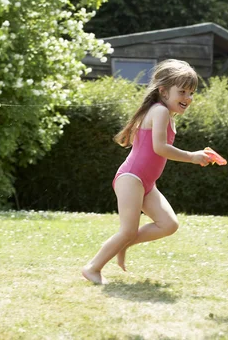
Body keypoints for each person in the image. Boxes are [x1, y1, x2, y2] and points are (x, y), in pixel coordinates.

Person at [82, 59, 215, 285]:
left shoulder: (163, 113)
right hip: (131, 178)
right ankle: (93, 268)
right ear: (163, 91)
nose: (187, 98)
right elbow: (160, 148)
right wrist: (192, 157)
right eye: (182, 92)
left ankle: (124, 245)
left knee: (169, 224)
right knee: (128, 229)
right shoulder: (160, 111)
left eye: (191, 93)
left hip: (145, 182)